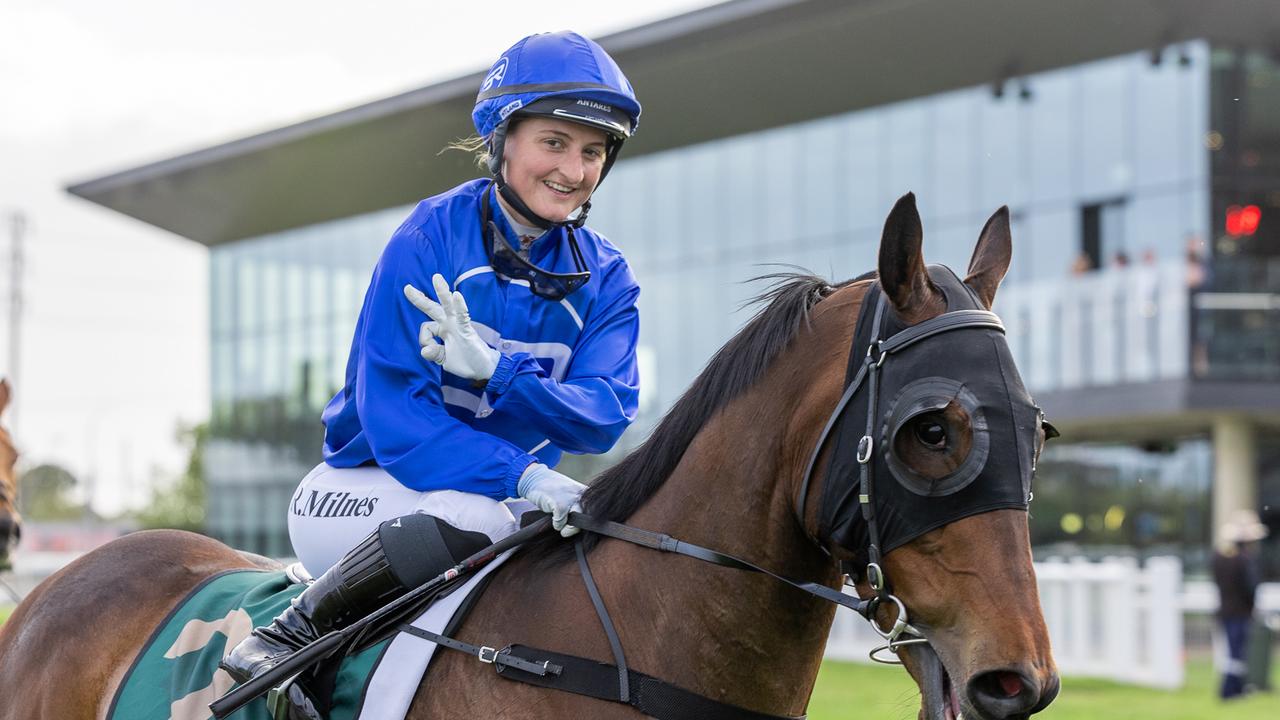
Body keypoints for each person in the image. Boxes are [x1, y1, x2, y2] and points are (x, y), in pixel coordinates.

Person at [220, 31, 644, 711]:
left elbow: (603, 416)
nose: (574, 168)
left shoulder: (609, 277)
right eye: (554, 142)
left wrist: (501, 373)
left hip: (510, 505)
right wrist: (525, 473)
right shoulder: (427, 238)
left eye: (592, 151)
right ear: (504, 140)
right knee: (477, 516)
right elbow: (397, 423)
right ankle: (282, 638)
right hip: (360, 489)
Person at [1212, 509, 1269, 700]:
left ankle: (1235, 688)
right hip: (1240, 612)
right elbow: (1251, 587)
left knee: (1232, 651)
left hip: (1226, 610)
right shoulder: (1246, 560)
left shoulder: (1220, 558)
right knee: (1237, 651)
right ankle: (1231, 690)